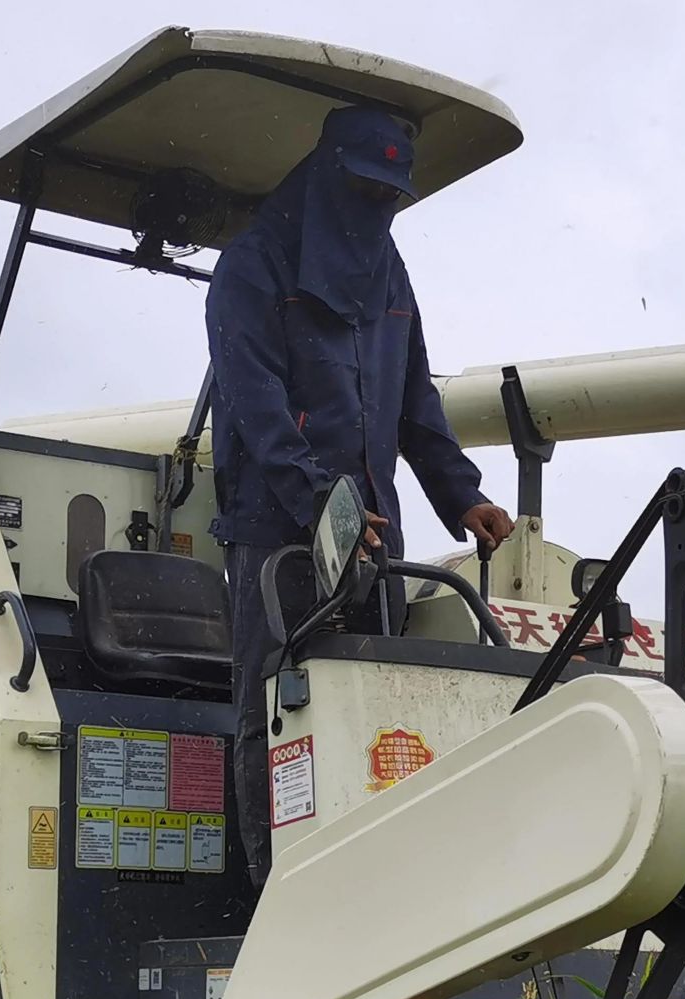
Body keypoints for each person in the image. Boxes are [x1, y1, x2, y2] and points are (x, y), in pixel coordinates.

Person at [206, 105, 514, 889]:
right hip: (278, 529)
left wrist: (461, 495)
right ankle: (276, 893)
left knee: (379, 706)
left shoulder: (390, 274)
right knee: (275, 710)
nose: (376, 209)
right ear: (324, 175)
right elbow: (255, 406)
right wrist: (318, 500)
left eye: (390, 197)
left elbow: (416, 403)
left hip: (372, 535)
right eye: (362, 190)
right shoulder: (252, 268)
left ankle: (377, 895)